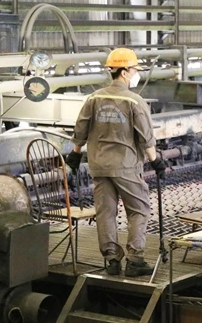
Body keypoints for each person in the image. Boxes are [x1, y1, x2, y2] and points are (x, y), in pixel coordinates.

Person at [65, 48, 166, 277]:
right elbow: (145, 135)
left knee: (106, 212)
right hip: (126, 165)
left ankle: (111, 260)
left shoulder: (94, 98)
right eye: (133, 69)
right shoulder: (134, 100)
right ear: (124, 72)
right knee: (139, 209)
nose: (135, 73)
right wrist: (155, 160)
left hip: (99, 164)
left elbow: (80, 128)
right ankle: (134, 259)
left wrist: (75, 153)